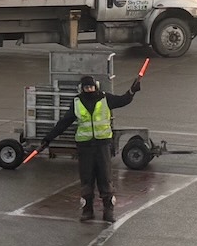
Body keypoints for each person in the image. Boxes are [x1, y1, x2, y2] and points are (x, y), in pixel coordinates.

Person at [40, 74, 141, 222]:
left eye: (91, 87)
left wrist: (132, 91)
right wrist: (48, 139)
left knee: (105, 178)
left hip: (102, 146)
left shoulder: (106, 98)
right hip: (85, 147)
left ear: (96, 87)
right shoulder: (77, 102)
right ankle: (87, 211)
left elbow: (123, 100)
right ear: (82, 88)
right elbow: (64, 123)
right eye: (86, 87)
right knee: (86, 179)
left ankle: (108, 211)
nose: (89, 89)